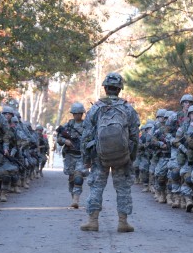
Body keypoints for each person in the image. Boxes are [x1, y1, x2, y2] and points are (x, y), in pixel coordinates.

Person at [80, 72, 140, 232]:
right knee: (123, 188)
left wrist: (86, 158)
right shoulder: (128, 108)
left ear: (105, 88)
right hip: (122, 156)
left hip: (100, 156)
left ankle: (93, 221)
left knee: (96, 187)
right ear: (120, 89)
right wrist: (131, 157)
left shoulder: (96, 108)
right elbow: (135, 136)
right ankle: (123, 222)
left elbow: (85, 136)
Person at [57, 102, 86, 208]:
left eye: (79, 113)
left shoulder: (87, 125)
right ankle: (73, 196)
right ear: (73, 114)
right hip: (70, 155)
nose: (78, 115)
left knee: (79, 177)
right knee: (72, 178)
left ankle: (76, 200)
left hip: (82, 156)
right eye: (75, 113)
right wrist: (66, 141)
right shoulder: (67, 126)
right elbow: (59, 139)